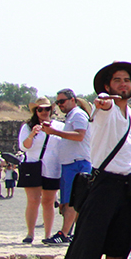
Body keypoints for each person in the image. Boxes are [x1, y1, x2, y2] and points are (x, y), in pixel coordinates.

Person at [59, 62, 131, 259]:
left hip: (127, 186)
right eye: (117, 80)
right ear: (108, 86)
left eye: (127, 80)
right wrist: (103, 103)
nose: (123, 84)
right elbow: (102, 105)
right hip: (105, 183)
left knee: (119, 242)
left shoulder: (130, 114)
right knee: (87, 238)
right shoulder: (105, 108)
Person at [41, 88, 92, 243]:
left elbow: (80, 135)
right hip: (70, 164)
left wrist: (55, 132)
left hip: (77, 164)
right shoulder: (71, 116)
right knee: (66, 202)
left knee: (72, 201)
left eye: (62, 101)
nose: (60, 105)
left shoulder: (77, 115)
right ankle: (70, 233)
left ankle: (64, 234)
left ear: (72, 100)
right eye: (57, 102)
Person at [18, 98, 59, 245]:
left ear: (51, 110)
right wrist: (32, 134)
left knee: (48, 202)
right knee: (33, 201)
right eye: (40, 109)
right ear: (36, 111)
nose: (43, 112)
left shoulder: (59, 126)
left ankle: (47, 234)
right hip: (33, 165)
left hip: (52, 167)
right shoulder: (28, 127)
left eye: (46, 109)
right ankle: (30, 233)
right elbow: (24, 147)